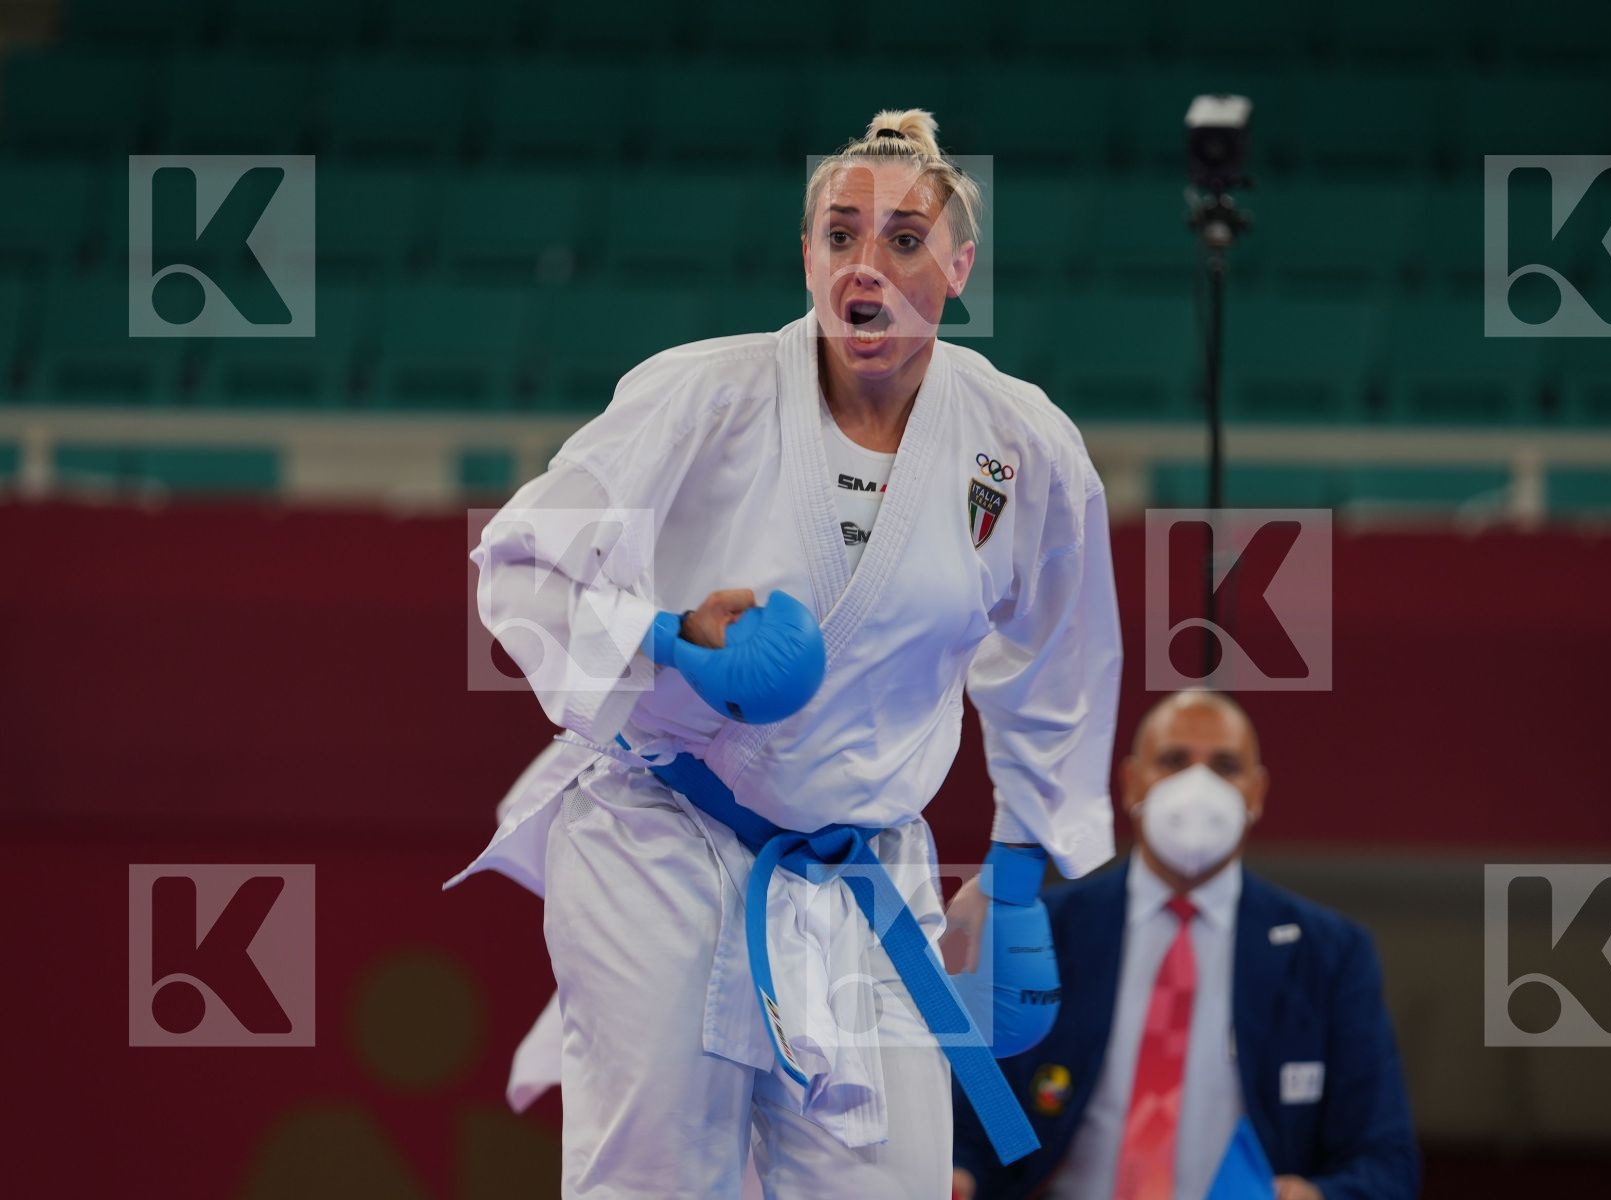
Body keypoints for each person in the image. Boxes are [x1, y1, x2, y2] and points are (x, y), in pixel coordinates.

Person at [445, 108, 1124, 1198]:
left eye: (905, 239)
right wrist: (668, 640)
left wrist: (1018, 866)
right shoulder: (702, 394)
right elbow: (522, 559)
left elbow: (1060, 664)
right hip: (661, 837)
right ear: (806, 257)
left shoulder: (1023, 444)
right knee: (659, 1179)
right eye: (840, 233)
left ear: (958, 266)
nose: (870, 263)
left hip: (865, 871)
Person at [951, 692, 1419, 1200]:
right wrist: (955, 1177)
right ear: (1131, 783)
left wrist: (1316, 1195)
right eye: (1174, 761)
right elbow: (974, 1128)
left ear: (1256, 794)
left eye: (1225, 766)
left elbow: (1384, 1160)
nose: (1198, 787)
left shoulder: (1329, 956)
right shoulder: (1045, 933)